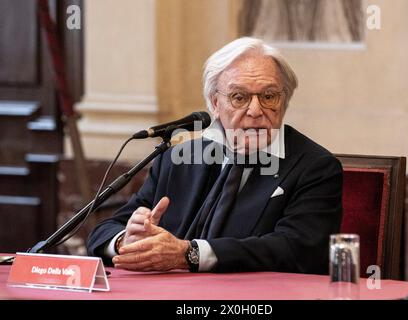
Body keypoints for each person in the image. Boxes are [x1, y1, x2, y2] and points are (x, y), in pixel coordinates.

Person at [87, 37, 343, 274]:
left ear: (283, 101)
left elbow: (298, 250)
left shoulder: (315, 167)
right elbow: (103, 233)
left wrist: (190, 254)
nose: (256, 110)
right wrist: (127, 243)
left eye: (268, 96)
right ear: (215, 103)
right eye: (239, 97)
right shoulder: (178, 159)